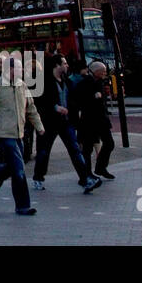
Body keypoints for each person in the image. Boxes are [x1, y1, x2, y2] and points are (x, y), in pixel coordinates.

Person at [0, 51, 44, 215]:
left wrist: (39, 126)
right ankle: (23, 205)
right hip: (4, 134)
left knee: (11, 167)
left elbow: (31, 108)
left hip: (19, 134)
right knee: (19, 170)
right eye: (19, 68)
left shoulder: (22, 85)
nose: (22, 71)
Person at [32, 53, 101, 193]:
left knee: (75, 150)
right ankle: (38, 177)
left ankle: (85, 179)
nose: (67, 65)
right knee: (44, 152)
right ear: (56, 65)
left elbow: (74, 99)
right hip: (48, 123)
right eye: (64, 63)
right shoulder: (45, 82)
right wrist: (55, 107)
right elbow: (38, 102)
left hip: (65, 122)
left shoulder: (66, 82)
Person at [72, 60, 115, 179]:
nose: (105, 73)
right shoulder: (85, 83)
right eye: (103, 71)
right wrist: (93, 97)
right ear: (96, 71)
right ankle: (88, 173)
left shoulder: (100, 82)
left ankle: (100, 167)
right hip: (89, 121)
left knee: (109, 143)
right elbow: (78, 101)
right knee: (87, 148)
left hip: (101, 120)